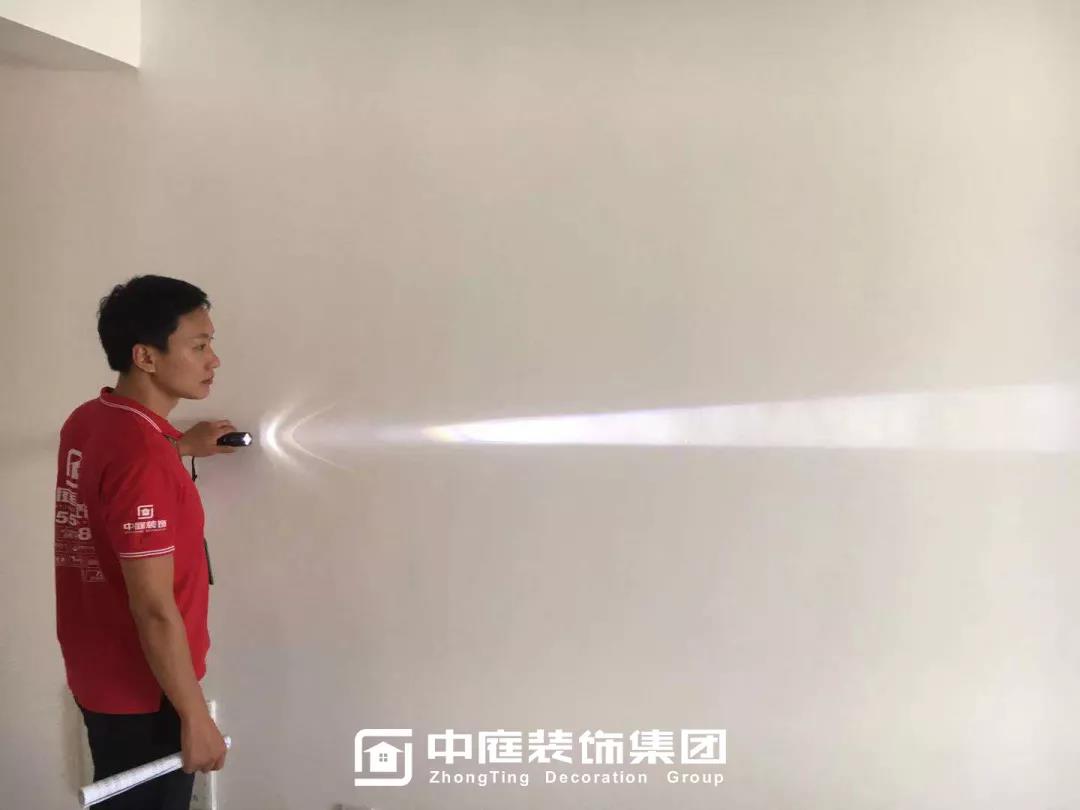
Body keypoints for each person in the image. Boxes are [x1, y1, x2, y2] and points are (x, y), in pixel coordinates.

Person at [55, 275, 240, 809]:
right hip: (148, 691)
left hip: (99, 673)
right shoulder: (143, 456)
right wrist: (195, 716)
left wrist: (177, 447)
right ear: (146, 357)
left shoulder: (91, 420)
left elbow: (116, 489)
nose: (213, 360)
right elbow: (155, 608)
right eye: (198, 346)